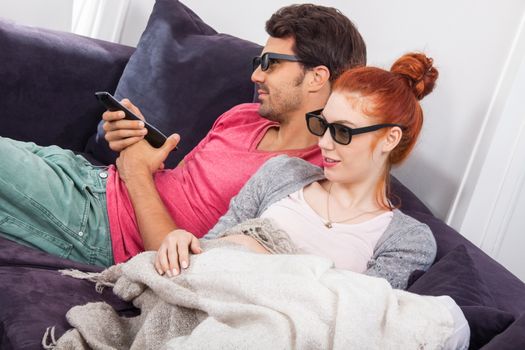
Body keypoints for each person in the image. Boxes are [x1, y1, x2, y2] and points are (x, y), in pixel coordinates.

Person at [0, 4, 366, 267]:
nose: (256, 76)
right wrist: (136, 148)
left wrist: (136, 172)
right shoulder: (243, 116)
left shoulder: (309, 180)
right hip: (89, 179)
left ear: (318, 77)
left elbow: (188, 259)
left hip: (103, 228)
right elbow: (179, 184)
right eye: (258, 62)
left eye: (270, 64)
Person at [155, 52, 439, 290]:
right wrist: (184, 240)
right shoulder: (282, 172)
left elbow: (350, 318)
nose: (324, 142)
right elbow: (212, 245)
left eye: (342, 131)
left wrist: (264, 255)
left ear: (389, 139)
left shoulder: (408, 239)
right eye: (323, 125)